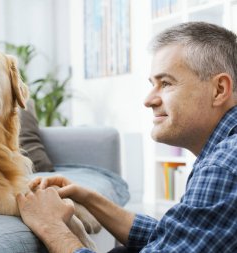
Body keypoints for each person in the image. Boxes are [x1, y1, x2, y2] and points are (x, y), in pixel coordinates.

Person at [16, 21, 237, 253]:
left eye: (166, 83)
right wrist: (89, 197)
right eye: (153, 84)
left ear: (220, 89)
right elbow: (181, 237)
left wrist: (50, 226)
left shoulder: (223, 166)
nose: (148, 99)